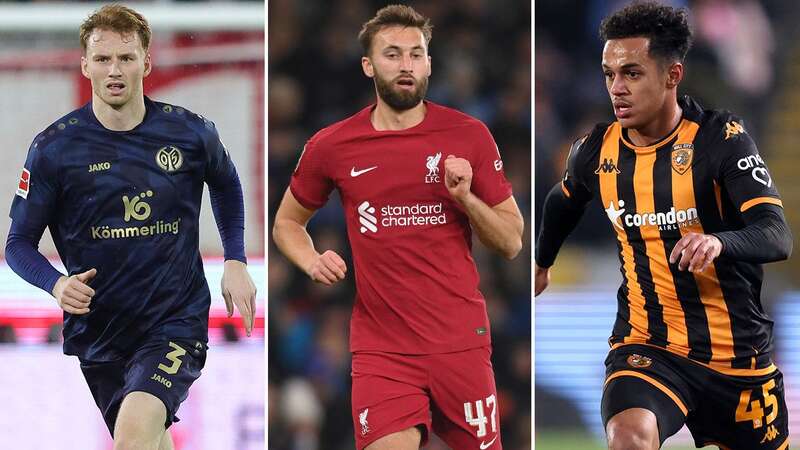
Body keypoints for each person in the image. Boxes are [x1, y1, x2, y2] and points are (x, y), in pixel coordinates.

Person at [535, 2, 792, 449]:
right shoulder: (596, 150)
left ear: (672, 75)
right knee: (628, 437)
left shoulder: (721, 141)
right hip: (647, 345)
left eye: (632, 73)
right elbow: (563, 200)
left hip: (736, 357)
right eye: (609, 73)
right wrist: (542, 259)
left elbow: (776, 233)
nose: (616, 87)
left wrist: (719, 242)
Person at [5, 5, 257, 450]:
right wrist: (56, 285)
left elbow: (227, 183)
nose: (114, 70)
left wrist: (235, 258)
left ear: (147, 62)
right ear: (85, 65)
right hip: (99, 331)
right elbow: (19, 244)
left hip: (173, 321)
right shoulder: (53, 150)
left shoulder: (189, 133)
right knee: (151, 441)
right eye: (103, 59)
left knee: (133, 438)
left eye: (126, 57)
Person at [273, 4, 524, 450]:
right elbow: (287, 223)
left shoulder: (469, 135)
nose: (405, 65)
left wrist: (466, 199)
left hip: (460, 343)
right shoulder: (333, 145)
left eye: (415, 54)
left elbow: (511, 242)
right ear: (369, 65)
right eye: (392, 54)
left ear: (428, 62)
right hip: (382, 350)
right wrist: (310, 259)